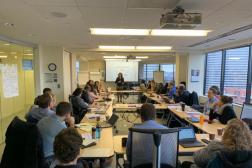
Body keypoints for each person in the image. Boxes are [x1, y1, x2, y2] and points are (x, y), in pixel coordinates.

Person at [183, 119, 252, 168]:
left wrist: (208, 148)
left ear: (226, 133)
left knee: (185, 163)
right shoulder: (249, 152)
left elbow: (198, 160)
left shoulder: (216, 146)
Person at [37, 102, 75, 167]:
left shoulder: (42, 120)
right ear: (67, 114)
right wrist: (72, 124)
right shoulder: (61, 127)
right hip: (50, 159)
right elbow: (73, 141)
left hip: (38, 156)